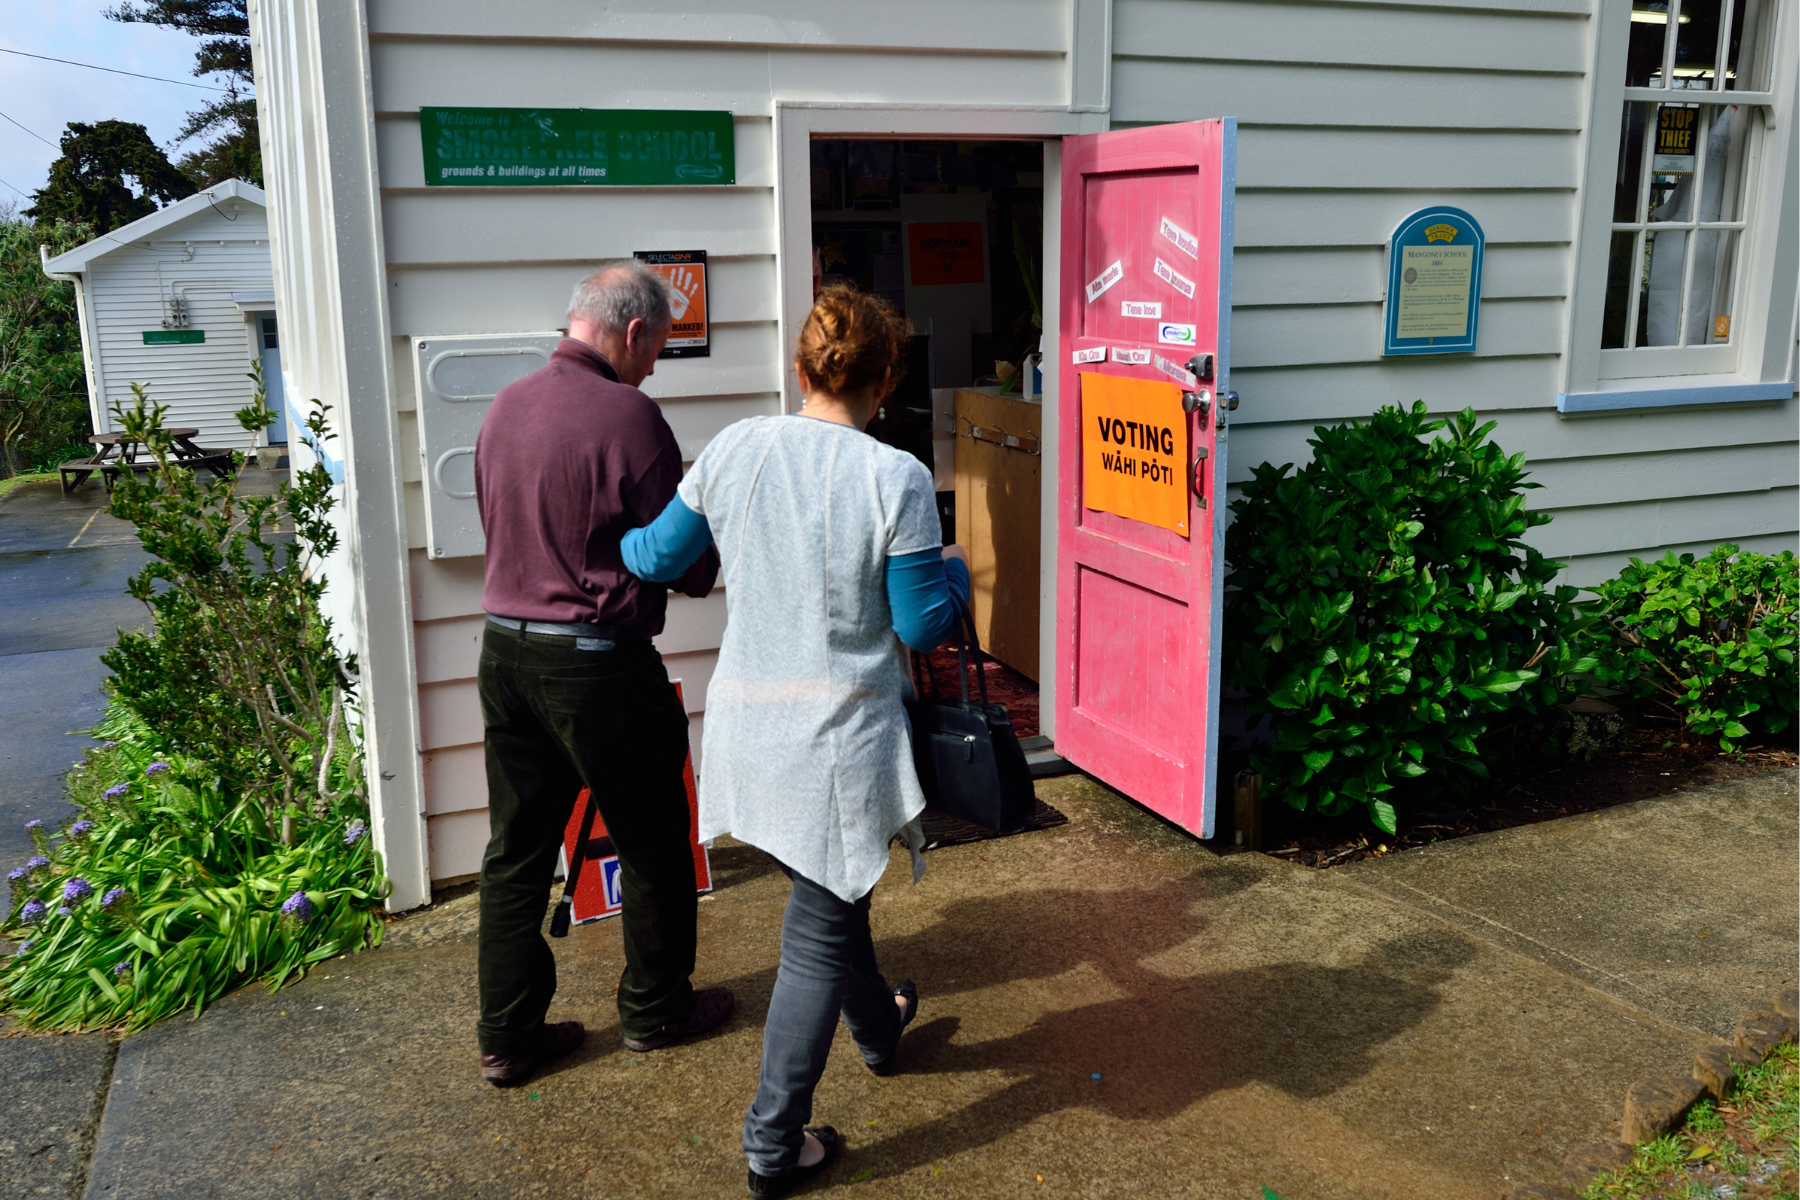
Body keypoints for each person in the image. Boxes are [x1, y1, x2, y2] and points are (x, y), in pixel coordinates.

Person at [621, 285, 970, 1197]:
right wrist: (960, 577)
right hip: (836, 740)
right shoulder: (893, 476)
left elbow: (657, 557)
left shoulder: (739, 446)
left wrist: (600, 549)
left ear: (802, 368)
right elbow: (922, 625)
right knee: (820, 928)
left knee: (833, 895)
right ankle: (773, 1146)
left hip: (747, 723)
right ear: (887, 377)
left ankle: (881, 1030)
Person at [471, 260, 732, 1088]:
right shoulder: (630, 418)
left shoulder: (504, 407)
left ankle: (507, 1036)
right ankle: (655, 1009)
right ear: (630, 332)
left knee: (515, 850)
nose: (653, 363)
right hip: (595, 666)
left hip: (504, 651)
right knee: (654, 837)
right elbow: (687, 566)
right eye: (655, 345)